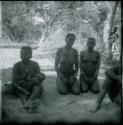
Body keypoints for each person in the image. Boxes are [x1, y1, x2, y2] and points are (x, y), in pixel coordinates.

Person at [3, 46, 46, 112]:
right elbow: (14, 82)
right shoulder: (16, 65)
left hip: (31, 85)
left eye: (26, 54)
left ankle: (29, 101)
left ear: (31, 55)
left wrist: (38, 79)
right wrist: (24, 90)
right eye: (22, 54)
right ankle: (28, 105)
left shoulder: (35, 64)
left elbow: (38, 76)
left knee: (38, 86)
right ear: (20, 55)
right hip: (20, 87)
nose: (24, 56)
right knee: (22, 95)